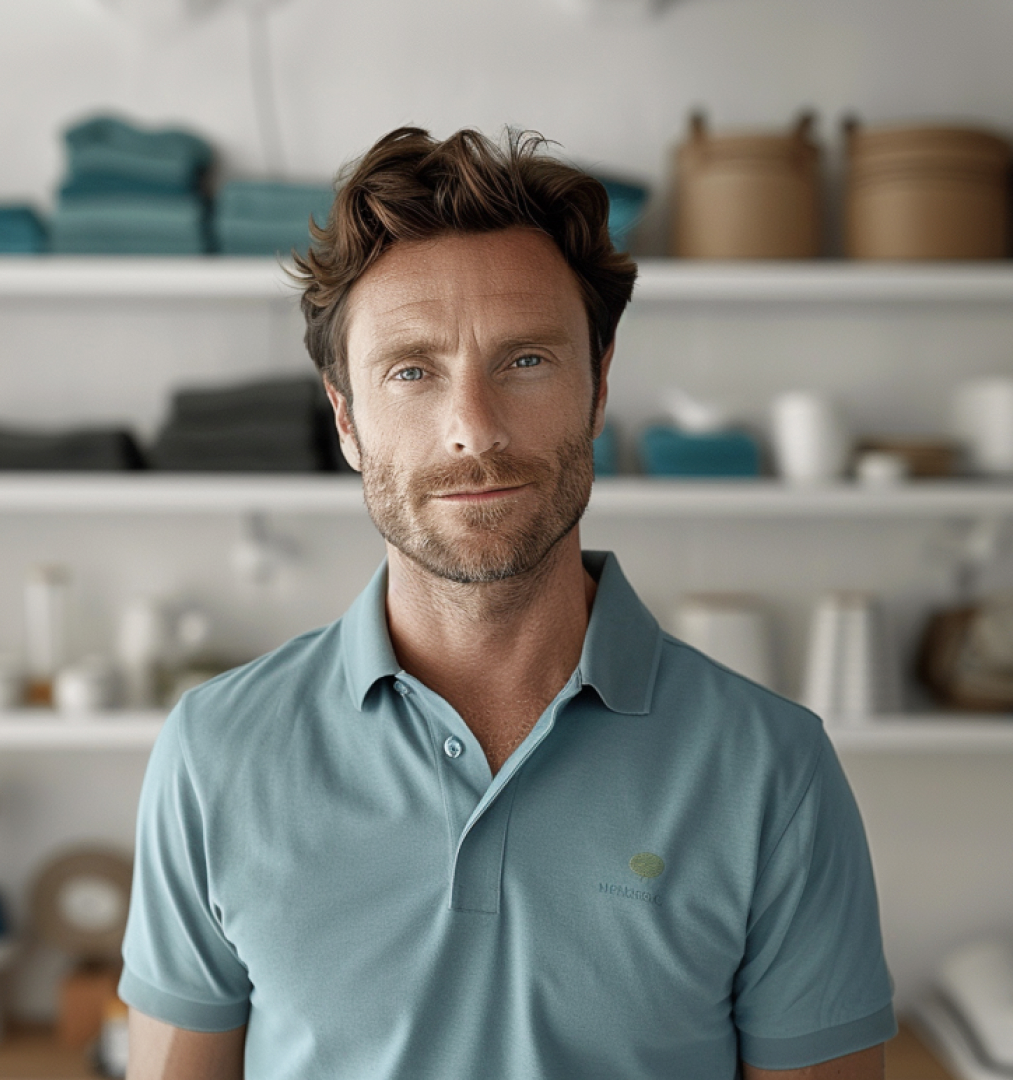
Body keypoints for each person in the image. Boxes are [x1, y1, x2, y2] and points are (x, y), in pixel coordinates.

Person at [119, 127, 896, 1080]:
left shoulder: (774, 771)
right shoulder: (213, 752)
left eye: (525, 360)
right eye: (412, 370)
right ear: (346, 420)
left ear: (599, 387)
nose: (472, 430)